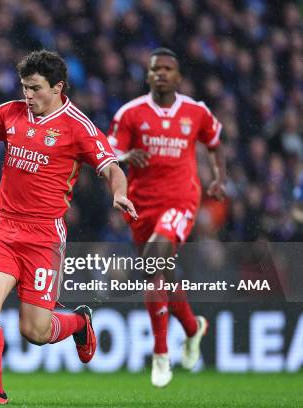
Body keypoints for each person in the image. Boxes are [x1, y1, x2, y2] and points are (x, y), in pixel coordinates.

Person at [0, 50, 137, 405]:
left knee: (35, 331)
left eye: (35, 88)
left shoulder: (78, 126)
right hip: (3, 227)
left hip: (44, 236)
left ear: (58, 87)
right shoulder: (11, 112)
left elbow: (111, 168)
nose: (27, 95)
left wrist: (119, 193)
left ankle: (79, 323)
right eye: (24, 87)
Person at [107, 48, 226, 387]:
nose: (161, 73)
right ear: (147, 76)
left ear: (178, 77)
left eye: (167, 68)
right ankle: (193, 327)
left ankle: (160, 354)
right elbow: (109, 154)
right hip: (141, 206)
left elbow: (216, 143)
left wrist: (219, 177)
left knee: (153, 264)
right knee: (160, 274)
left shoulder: (196, 112)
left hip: (182, 201)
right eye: (155, 68)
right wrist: (127, 155)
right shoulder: (130, 113)